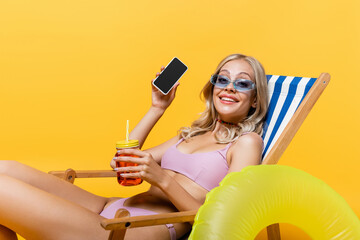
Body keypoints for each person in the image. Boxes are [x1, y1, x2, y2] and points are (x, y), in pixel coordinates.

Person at [0, 53, 268, 240]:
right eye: (222, 79)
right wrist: (156, 108)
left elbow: (227, 218)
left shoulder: (246, 143)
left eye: (242, 83)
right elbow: (123, 160)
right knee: (5, 169)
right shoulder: (193, 133)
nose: (229, 87)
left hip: (129, 230)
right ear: (213, 87)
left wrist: (161, 178)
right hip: (111, 208)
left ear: (255, 100)